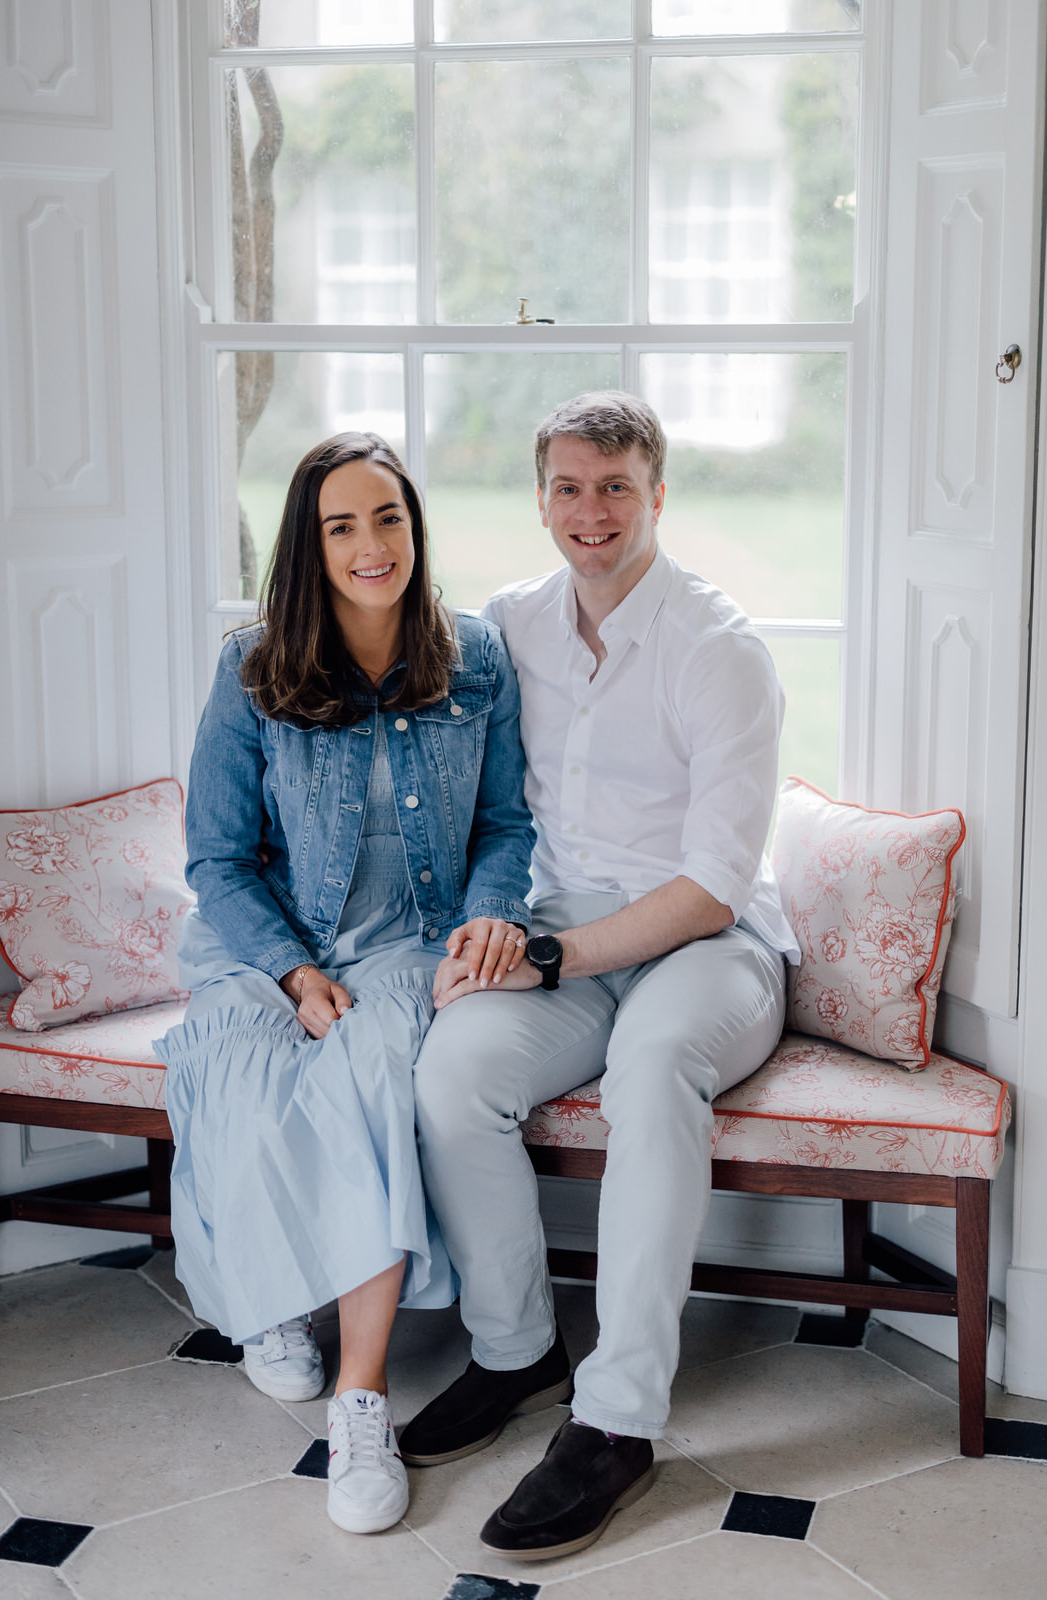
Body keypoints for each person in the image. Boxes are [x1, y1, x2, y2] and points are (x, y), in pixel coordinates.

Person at [402, 392, 799, 1560]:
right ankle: (517, 1352)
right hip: (559, 933)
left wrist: (551, 955)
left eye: (615, 486)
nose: (591, 511)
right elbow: (478, 801)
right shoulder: (509, 625)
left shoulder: (718, 648)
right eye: (568, 487)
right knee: (454, 1070)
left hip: (705, 949)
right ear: (539, 499)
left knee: (654, 1063)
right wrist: (494, 934)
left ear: (657, 494)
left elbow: (716, 885)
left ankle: (616, 1421)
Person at [154, 433, 534, 1537]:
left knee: (370, 1068)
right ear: (308, 547)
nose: (372, 545)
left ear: (415, 527)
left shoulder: (474, 658)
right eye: (342, 524)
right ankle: (275, 1298)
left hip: (411, 939)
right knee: (237, 1061)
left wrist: (493, 912)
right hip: (268, 938)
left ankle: (356, 1396)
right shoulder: (250, 666)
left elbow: (507, 824)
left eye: (389, 518)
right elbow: (215, 860)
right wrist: (289, 967)